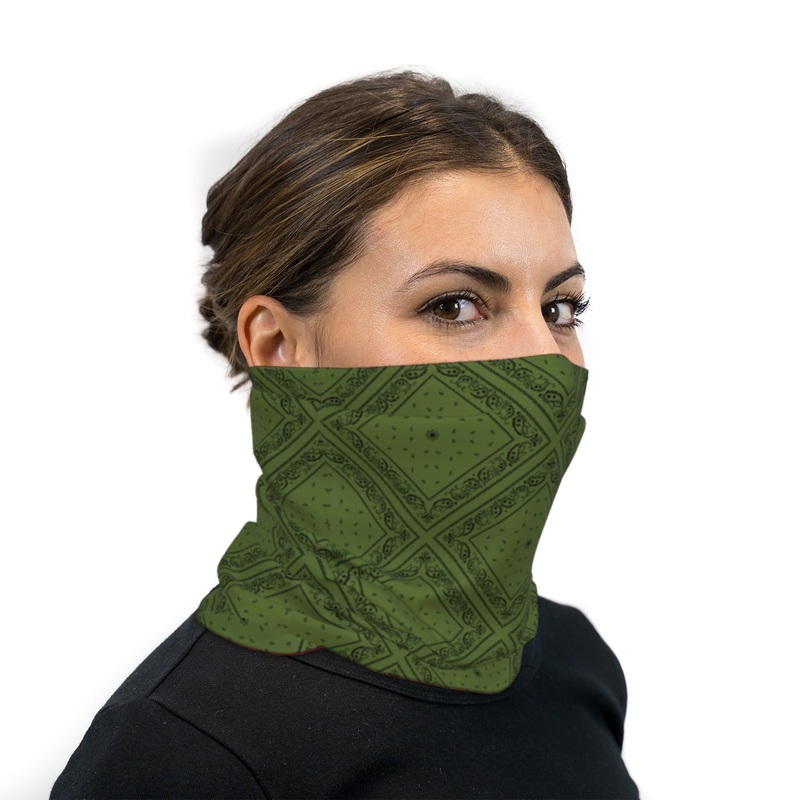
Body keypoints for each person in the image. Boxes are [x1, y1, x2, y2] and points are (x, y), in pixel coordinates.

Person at [51, 71, 638, 799]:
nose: (544, 360)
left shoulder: (573, 661)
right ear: (276, 345)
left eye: (559, 308)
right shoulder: (184, 748)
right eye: (455, 305)